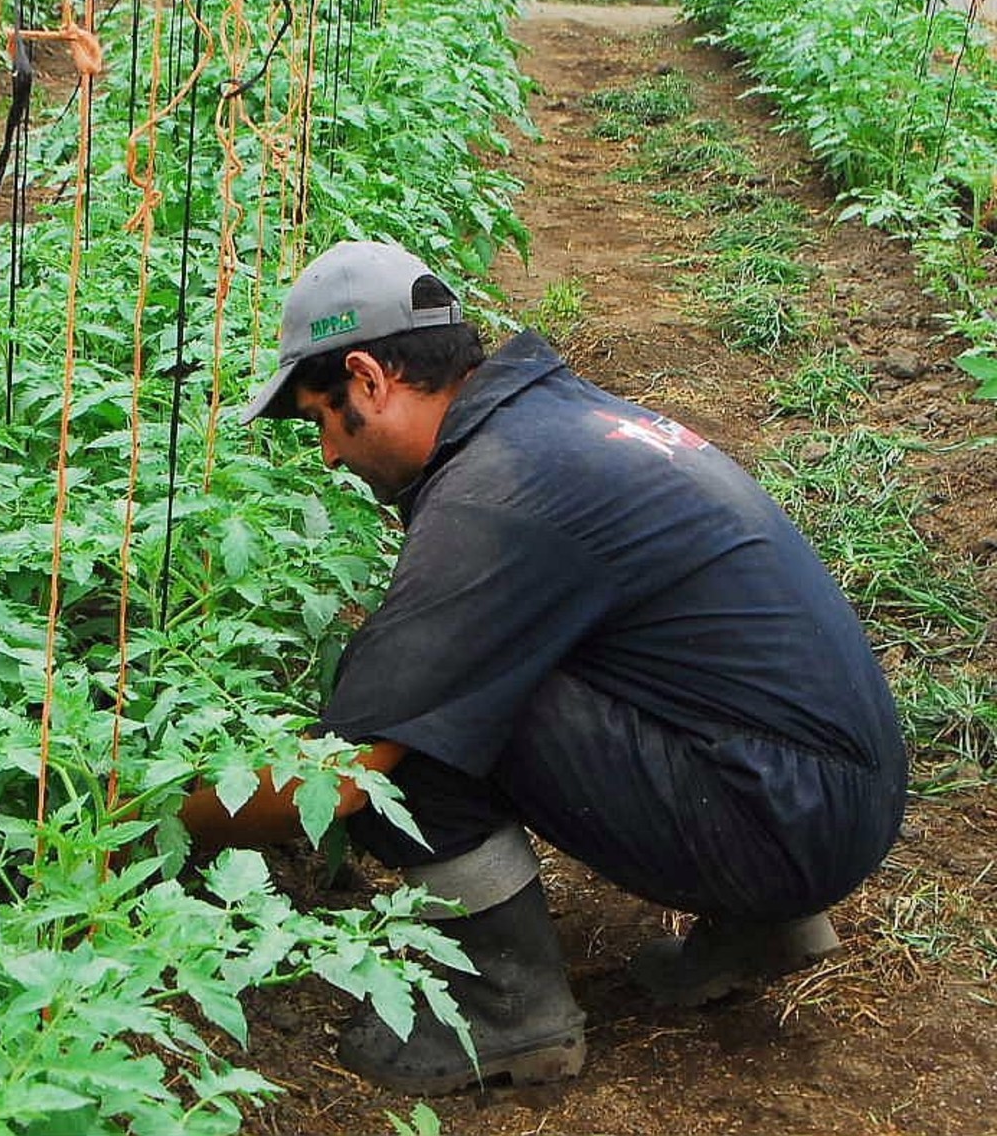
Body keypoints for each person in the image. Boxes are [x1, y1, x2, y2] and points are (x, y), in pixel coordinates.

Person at [180, 239, 908, 1096]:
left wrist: (158, 820)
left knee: (415, 727)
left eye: (321, 421)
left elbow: (341, 778)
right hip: (831, 795)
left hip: (783, 818)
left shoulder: (499, 493)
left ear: (371, 380)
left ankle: (505, 1015)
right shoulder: (557, 421)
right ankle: (767, 926)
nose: (330, 457)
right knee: (457, 674)